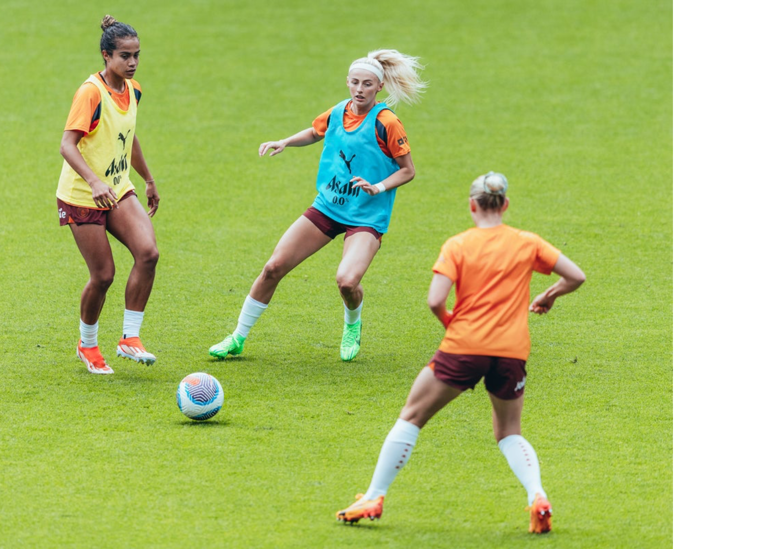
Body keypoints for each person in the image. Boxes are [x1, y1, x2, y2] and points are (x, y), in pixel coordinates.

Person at [335, 172, 586, 534]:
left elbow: (435, 299)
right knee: (509, 433)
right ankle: (537, 496)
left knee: (411, 417)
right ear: (506, 205)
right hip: (512, 352)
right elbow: (576, 276)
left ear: (472, 205)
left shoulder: (458, 245)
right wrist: (549, 295)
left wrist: (450, 322)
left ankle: (374, 496)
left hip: (464, 346)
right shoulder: (527, 242)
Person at [208, 49, 427, 362]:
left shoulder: (387, 122)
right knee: (273, 267)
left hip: (366, 215)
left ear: (379, 87)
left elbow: (408, 170)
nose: (360, 89)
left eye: (367, 84)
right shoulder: (339, 111)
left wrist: (377, 187)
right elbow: (315, 132)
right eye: (354, 82)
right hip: (328, 208)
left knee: (347, 281)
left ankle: (353, 324)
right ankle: (238, 337)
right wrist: (284, 141)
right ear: (348, 83)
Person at [57, 15, 161, 375]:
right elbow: (67, 145)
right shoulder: (90, 93)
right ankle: (87, 344)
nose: (132, 63)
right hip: (83, 195)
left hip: (117, 188)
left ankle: (129, 339)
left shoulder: (134, 90)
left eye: (136, 55)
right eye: (124, 56)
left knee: (148, 253)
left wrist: (146, 178)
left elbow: (126, 137)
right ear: (106, 56)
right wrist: (94, 181)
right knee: (103, 276)